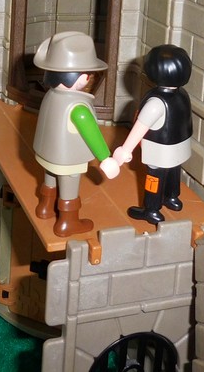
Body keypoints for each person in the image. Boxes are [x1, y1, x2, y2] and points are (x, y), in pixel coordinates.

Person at [32, 31, 120, 236]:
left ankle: (45, 207)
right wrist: (105, 158)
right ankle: (67, 222)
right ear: (81, 77)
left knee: (50, 178)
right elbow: (92, 135)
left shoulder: (51, 95)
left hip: (46, 154)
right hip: (67, 160)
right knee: (69, 187)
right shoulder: (78, 107)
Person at [113, 45, 192, 225]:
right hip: (180, 145)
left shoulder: (156, 103)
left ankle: (151, 209)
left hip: (160, 149)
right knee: (174, 171)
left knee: (154, 177)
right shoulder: (183, 95)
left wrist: (125, 150)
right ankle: (172, 198)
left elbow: (140, 127)